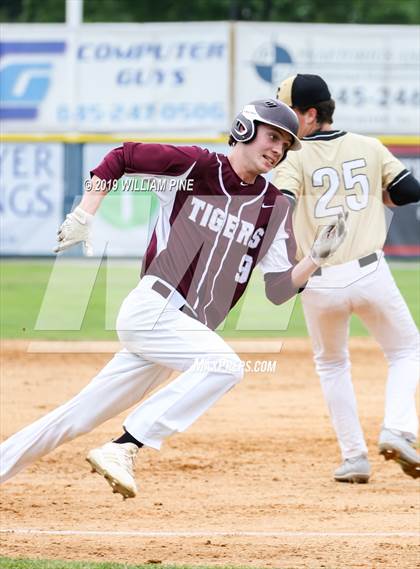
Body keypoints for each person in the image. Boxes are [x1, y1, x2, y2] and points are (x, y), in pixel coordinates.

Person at [0, 99, 347, 499]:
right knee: (225, 366)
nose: (277, 149)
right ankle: (125, 447)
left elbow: (279, 289)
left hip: (181, 331)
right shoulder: (196, 168)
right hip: (154, 307)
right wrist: (85, 214)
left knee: (76, 416)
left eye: (285, 143)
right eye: (272, 136)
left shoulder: (273, 208)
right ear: (244, 129)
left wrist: (316, 258)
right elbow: (122, 157)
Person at [274, 74, 420, 483]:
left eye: (291, 113)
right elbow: (411, 190)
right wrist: (378, 195)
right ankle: (397, 428)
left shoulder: (292, 157)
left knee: (332, 365)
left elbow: (280, 205)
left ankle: (354, 458)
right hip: (370, 272)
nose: (285, 122)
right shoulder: (369, 146)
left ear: (312, 114)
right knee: (407, 352)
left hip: (317, 279)